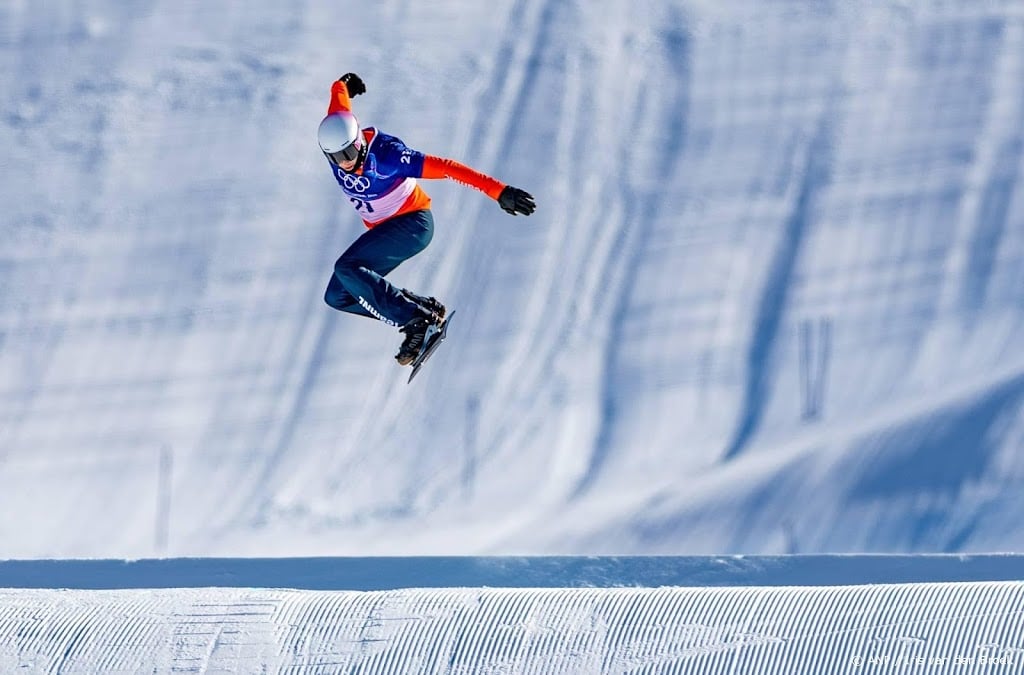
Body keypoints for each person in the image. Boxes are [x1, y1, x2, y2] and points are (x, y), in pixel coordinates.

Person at [318, 73, 537, 365]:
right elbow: (338, 98)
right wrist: (344, 84)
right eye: (334, 157)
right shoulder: (338, 127)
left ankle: (414, 321)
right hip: (385, 231)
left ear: (358, 141)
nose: (343, 162)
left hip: (413, 224)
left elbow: (446, 168)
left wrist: (499, 191)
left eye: (347, 152)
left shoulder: (387, 156)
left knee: (346, 266)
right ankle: (420, 311)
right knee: (338, 295)